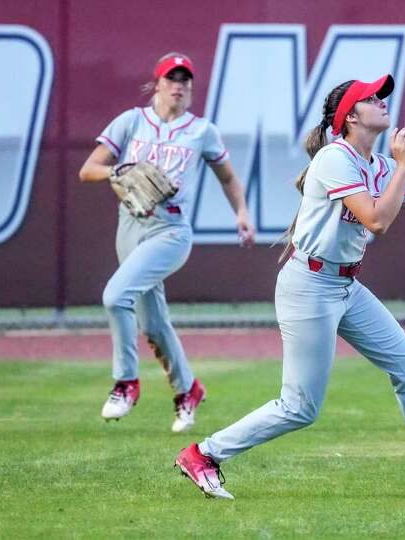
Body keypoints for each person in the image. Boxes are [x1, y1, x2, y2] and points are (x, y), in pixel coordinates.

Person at [175, 74, 405, 499]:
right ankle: (203, 454)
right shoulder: (336, 158)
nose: (383, 101)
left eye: (383, 95)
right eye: (372, 97)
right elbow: (377, 221)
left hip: (346, 287)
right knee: (300, 407)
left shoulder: (380, 165)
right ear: (350, 117)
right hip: (308, 284)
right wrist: (404, 166)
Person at [78, 52, 255, 431]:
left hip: (170, 231)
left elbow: (226, 176)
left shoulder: (201, 130)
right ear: (156, 84)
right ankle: (187, 390)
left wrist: (241, 212)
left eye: (185, 80)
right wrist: (119, 169)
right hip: (130, 225)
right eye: (171, 79)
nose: (178, 86)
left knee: (115, 296)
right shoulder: (131, 122)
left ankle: (125, 382)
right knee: (154, 323)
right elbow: (88, 170)